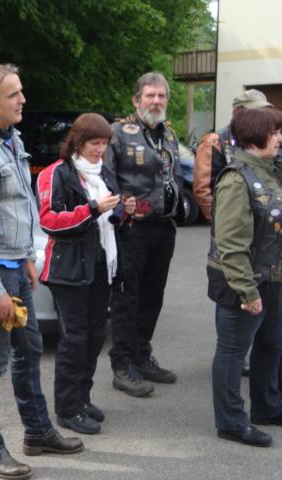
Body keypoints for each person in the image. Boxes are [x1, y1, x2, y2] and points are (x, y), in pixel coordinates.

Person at [0, 63, 82, 480]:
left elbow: (22, 205)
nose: (22, 100)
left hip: (17, 264)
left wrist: (29, 255)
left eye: (21, 91)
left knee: (30, 350)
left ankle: (37, 432)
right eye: (13, 94)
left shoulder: (11, 138)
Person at [37, 113, 135, 434]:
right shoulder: (56, 173)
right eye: (95, 143)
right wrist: (93, 209)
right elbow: (49, 221)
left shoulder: (104, 171)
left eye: (105, 143)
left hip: (101, 265)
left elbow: (112, 219)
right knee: (75, 339)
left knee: (94, 337)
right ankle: (67, 409)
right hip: (68, 269)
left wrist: (124, 212)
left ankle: (82, 399)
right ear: (78, 141)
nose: (100, 149)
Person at [207, 107, 282, 447]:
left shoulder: (271, 170)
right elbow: (230, 244)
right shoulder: (236, 179)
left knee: (272, 343)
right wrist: (247, 291)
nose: (281, 139)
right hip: (244, 280)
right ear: (255, 135)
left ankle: (267, 407)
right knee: (233, 351)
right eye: (276, 133)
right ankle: (231, 422)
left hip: (273, 277)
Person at [105, 71, 183, 397]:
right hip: (131, 229)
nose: (156, 101)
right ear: (136, 100)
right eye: (150, 95)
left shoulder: (170, 135)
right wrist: (121, 207)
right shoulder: (118, 134)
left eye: (161, 96)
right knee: (127, 298)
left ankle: (141, 355)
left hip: (163, 227)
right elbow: (106, 178)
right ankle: (122, 364)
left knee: (153, 296)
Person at [194, 89, 273, 220]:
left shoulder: (265, 140)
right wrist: (222, 221)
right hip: (232, 221)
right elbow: (204, 190)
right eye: (254, 111)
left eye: (263, 112)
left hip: (262, 221)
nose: (260, 117)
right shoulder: (215, 141)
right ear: (236, 112)